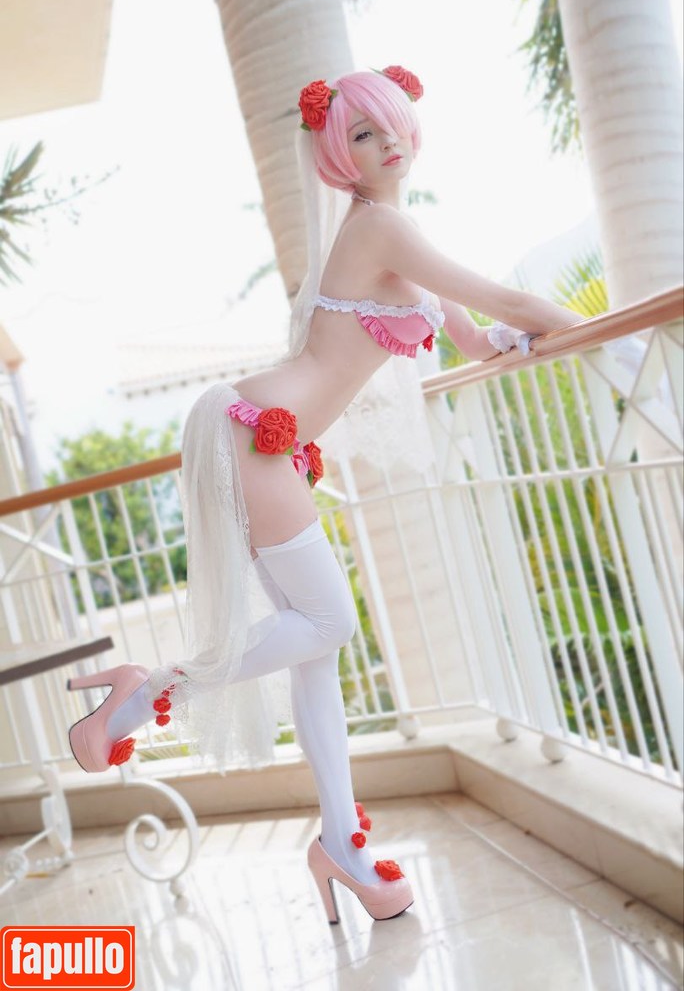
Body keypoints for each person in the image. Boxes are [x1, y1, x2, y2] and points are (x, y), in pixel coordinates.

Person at [66, 66, 583, 924]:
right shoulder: (380, 226)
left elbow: (472, 330)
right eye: (363, 135)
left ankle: (340, 844)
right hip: (255, 431)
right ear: (342, 156)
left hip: (262, 434)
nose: (388, 143)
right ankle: (145, 693)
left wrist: (517, 341)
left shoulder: (391, 236)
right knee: (330, 622)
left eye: (392, 124)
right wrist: (605, 337)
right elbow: (505, 295)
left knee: (316, 653)